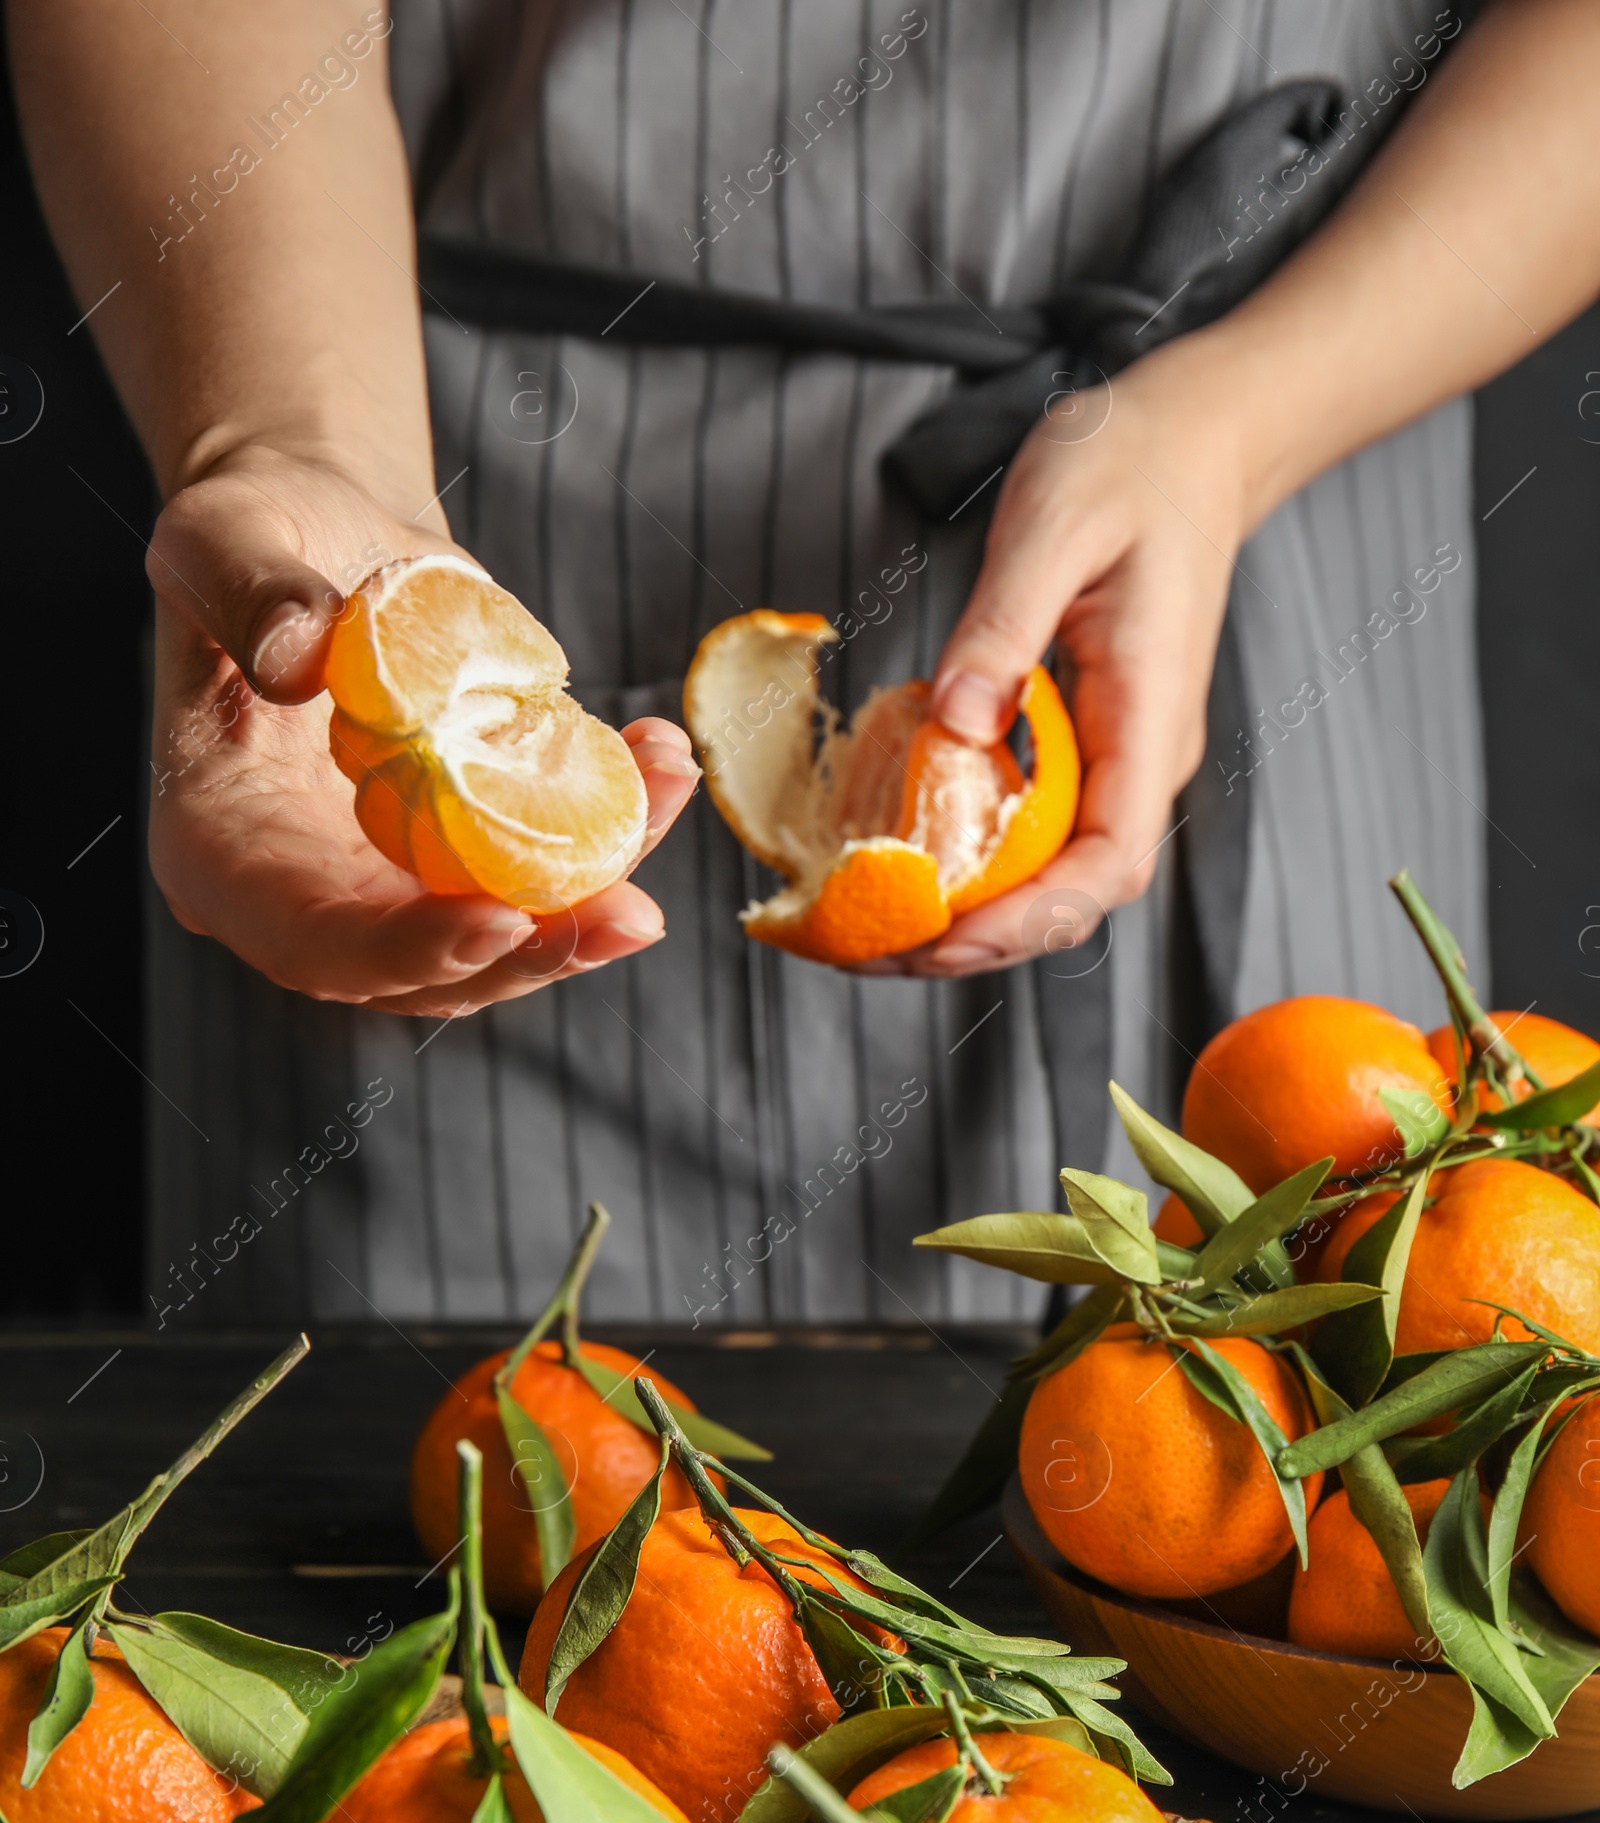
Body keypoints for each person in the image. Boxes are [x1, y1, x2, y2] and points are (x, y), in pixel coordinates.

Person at [13, 0, 1600, 1329]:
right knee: (436, 1599)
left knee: (1264, 1568)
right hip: (457, 481)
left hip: (1266, 496)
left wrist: (1244, 423)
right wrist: (292, 440)